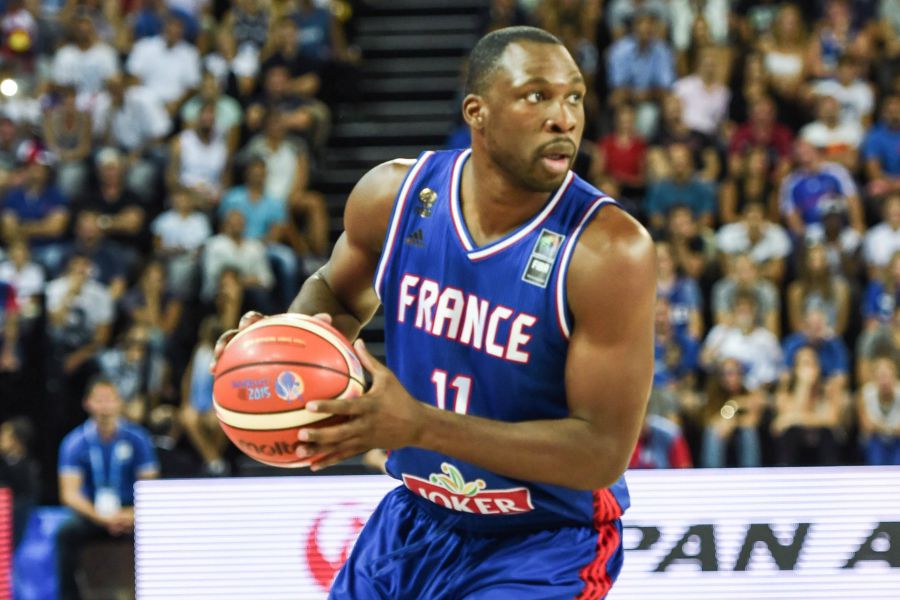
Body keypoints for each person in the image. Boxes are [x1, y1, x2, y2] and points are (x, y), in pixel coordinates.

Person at [212, 26, 655, 599]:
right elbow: (335, 295)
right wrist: (279, 347)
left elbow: (600, 453)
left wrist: (418, 425)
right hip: (416, 519)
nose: (564, 118)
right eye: (536, 95)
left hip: (545, 538)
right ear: (478, 112)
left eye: (574, 97)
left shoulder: (609, 250)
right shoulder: (395, 197)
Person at [56, 377, 159, 600]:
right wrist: (101, 518)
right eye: (99, 400)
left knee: (158, 530)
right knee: (64, 533)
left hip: (129, 511)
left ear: (119, 402)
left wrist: (131, 514)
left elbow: (150, 488)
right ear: (87, 403)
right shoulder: (74, 442)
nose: (105, 407)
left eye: (110, 400)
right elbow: (69, 494)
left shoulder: (138, 438)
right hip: (92, 512)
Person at [857, 354, 900, 465]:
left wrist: (880, 426)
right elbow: (867, 426)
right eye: (881, 377)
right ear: (874, 378)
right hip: (874, 440)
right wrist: (891, 428)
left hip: (897, 441)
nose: (885, 381)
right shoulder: (865, 394)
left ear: (895, 377)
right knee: (876, 455)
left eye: (888, 376)